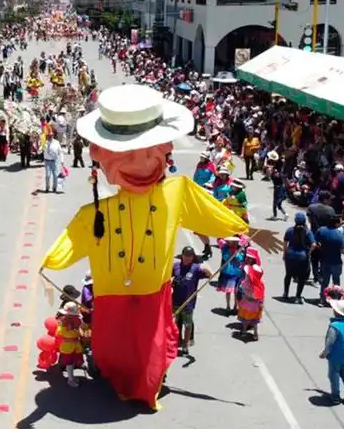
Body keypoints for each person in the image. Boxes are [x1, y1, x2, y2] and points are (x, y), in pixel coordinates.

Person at [40, 84, 248, 411]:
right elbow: (73, 239)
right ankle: (123, 381)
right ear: (101, 158)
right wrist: (50, 261)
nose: (143, 163)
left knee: (151, 352)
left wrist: (249, 231)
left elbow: (211, 214)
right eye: (128, 155)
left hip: (154, 294)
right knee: (115, 350)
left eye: (152, 152)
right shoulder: (96, 213)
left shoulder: (177, 191)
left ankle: (146, 388)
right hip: (113, 296)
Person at [171, 246, 212, 356]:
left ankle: (186, 344)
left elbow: (209, 275)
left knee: (188, 324)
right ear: (182, 255)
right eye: (185, 255)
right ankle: (175, 342)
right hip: (175, 300)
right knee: (174, 323)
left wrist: (204, 268)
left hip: (188, 302)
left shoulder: (195, 268)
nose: (187, 258)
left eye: (190, 256)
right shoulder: (175, 266)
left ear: (192, 257)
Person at [319, 292, 344, 406]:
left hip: (335, 356)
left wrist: (325, 353)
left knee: (333, 375)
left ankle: (335, 396)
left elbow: (330, 342)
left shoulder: (334, 326)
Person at [283, 212, 314, 303]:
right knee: (301, 277)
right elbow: (314, 244)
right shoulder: (308, 232)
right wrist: (308, 252)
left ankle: (285, 293)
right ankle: (297, 296)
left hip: (290, 255)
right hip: (302, 257)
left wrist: (285, 254)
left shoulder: (289, 230)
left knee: (288, 275)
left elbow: (285, 243)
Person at [236, 247, 266, 340]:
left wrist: (260, 302)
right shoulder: (246, 269)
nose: (248, 259)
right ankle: (248, 331)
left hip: (249, 302)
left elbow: (259, 295)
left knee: (251, 319)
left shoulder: (252, 282)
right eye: (247, 257)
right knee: (250, 318)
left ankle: (250, 332)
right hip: (248, 300)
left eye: (250, 258)